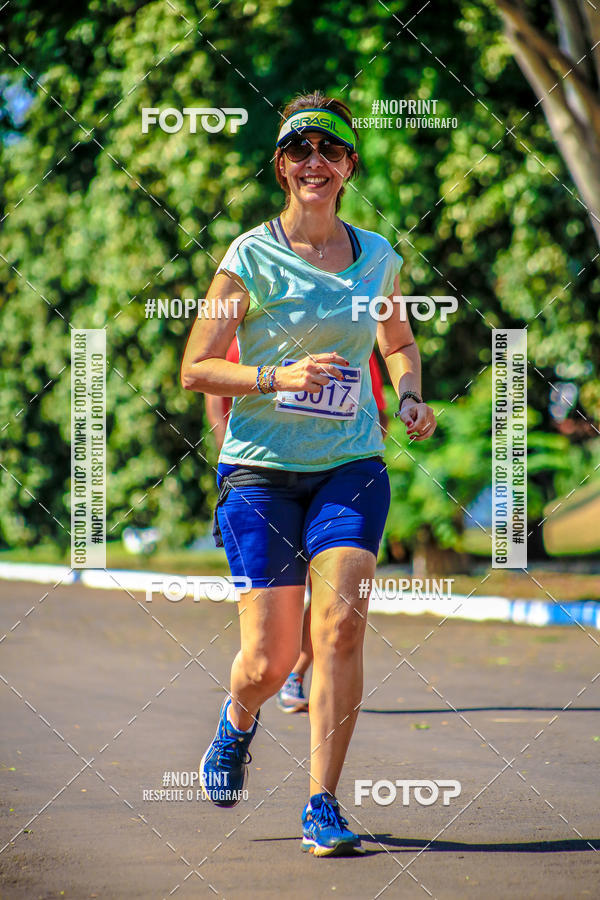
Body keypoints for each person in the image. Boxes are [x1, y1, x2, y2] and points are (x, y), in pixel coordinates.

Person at [181, 90, 437, 857]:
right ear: (282, 166)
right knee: (266, 661)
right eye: (300, 150)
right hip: (260, 473)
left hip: (350, 466)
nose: (315, 162)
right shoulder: (248, 257)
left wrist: (412, 393)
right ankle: (238, 721)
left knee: (341, 624)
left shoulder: (380, 257)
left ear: (349, 165)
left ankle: (322, 802)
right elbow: (194, 368)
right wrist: (275, 379)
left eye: (329, 150)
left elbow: (397, 342)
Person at [204, 342, 389, 716]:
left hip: (340, 476)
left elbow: (378, 409)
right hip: (262, 476)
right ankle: (250, 704)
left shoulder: (352, 328)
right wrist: (231, 453)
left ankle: (299, 671)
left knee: (332, 598)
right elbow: (213, 389)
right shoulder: (254, 327)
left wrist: (361, 455)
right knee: (266, 655)